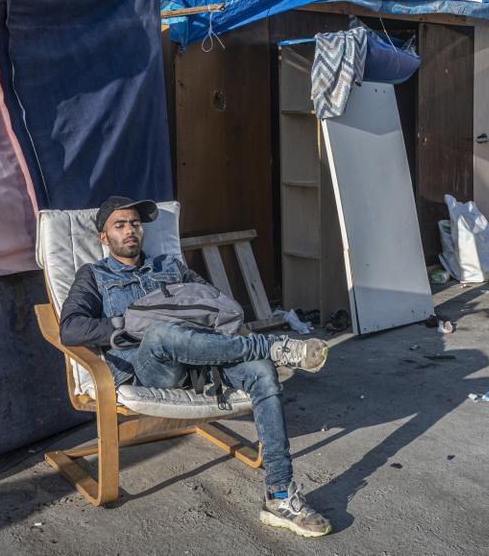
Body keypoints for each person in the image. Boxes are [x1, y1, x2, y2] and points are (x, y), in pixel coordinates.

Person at [59, 196, 332, 538]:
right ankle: (272, 345)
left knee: (263, 372)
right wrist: (125, 327)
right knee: (160, 331)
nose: (131, 230)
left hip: (205, 362)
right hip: (151, 368)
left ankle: (279, 496)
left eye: (135, 223)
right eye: (121, 225)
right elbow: (70, 328)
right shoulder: (95, 276)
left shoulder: (171, 267)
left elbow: (216, 305)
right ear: (104, 237)